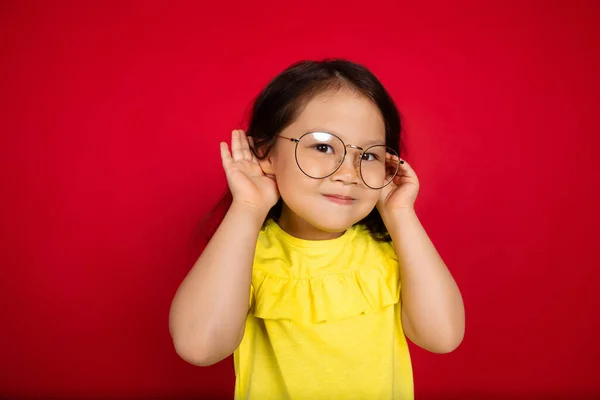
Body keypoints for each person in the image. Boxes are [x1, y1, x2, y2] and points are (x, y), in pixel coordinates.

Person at [169, 59, 465, 400]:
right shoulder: (243, 255)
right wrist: (248, 208)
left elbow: (442, 337)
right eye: (323, 147)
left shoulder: (392, 253)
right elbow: (199, 347)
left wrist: (400, 214)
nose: (349, 173)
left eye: (368, 155)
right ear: (264, 151)